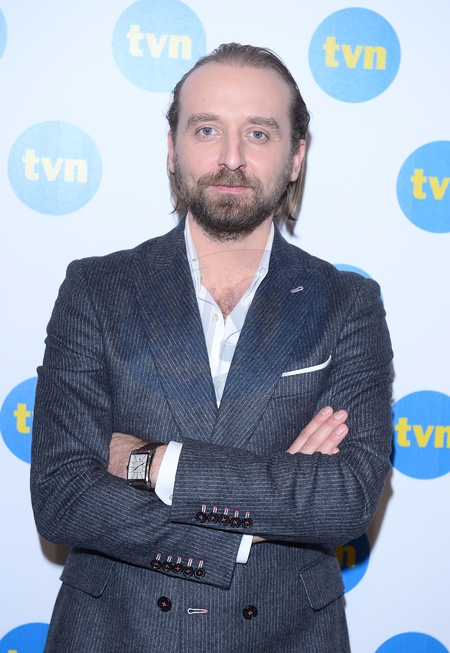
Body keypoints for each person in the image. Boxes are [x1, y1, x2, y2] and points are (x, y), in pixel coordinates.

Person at [31, 43, 393, 652]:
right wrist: (252, 523)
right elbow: (63, 495)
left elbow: (346, 499)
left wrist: (157, 464)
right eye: (206, 130)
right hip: (116, 634)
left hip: (287, 637)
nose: (230, 157)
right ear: (172, 149)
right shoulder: (95, 289)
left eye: (258, 133)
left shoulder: (347, 303)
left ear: (296, 157)